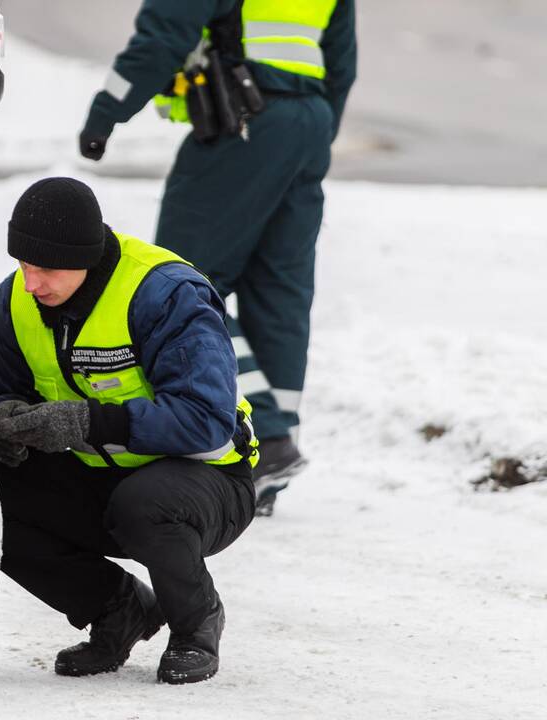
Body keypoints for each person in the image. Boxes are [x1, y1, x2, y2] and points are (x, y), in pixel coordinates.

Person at [78, 0, 357, 516]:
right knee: (280, 295)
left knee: (179, 286)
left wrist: (105, 112)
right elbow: (341, 64)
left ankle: (268, 439)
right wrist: (307, 135)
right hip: (308, 122)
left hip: (243, 121)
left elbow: (163, 36)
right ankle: (270, 463)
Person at [0, 176, 258, 684]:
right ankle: (117, 608)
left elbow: (206, 418)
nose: (32, 282)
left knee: (143, 502)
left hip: (206, 482)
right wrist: (3, 420)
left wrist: (87, 421)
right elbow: (1, 388)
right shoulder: (16, 299)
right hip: (100, 475)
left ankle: (195, 625)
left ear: (85, 257)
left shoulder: (165, 294)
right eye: (23, 265)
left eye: (47, 268)